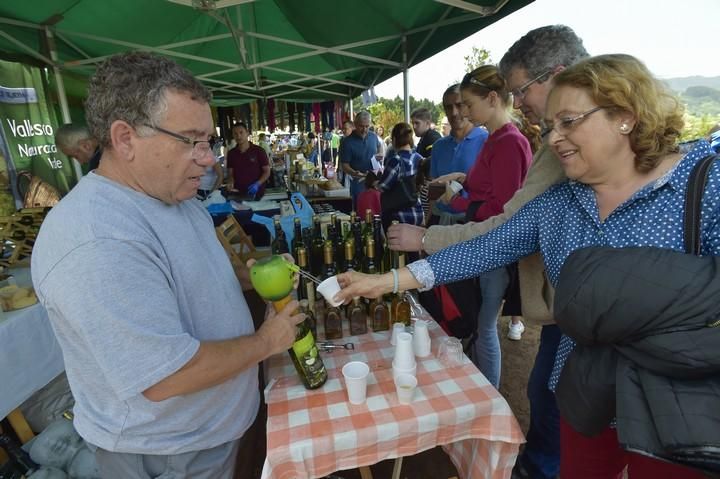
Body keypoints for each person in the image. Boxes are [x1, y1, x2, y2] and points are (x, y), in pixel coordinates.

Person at [338, 53, 713, 479]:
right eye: (551, 126)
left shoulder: (701, 185)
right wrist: (384, 281)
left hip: (679, 398)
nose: (554, 138)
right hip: (587, 391)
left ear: (625, 116)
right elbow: (483, 248)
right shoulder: (558, 203)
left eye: (569, 121)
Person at [31, 51, 304, 479]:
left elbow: (192, 276)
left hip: (210, 435)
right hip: (171, 456)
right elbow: (166, 375)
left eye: (209, 141)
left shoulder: (171, 197)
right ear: (125, 139)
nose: (209, 158)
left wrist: (250, 277)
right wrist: (268, 340)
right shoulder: (97, 239)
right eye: (191, 141)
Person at [384, 25, 588, 479]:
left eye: (520, 92)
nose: (524, 106)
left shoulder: (524, 143)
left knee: (506, 353)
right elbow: (507, 227)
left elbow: (504, 222)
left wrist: (426, 241)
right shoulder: (537, 150)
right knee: (546, 396)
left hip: (590, 328)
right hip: (569, 314)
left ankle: (497, 418)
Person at [439, 64, 532, 387]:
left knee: (484, 326)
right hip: (483, 244)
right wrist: (463, 179)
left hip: (495, 248)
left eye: (468, 103)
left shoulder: (508, 141)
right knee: (479, 323)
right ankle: (481, 390)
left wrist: (459, 203)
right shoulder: (495, 139)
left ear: (492, 98)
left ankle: (488, 396)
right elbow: (489, 187)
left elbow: (504, 208)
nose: (464, 111)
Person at [428, 84, 489, 224]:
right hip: (440, 221)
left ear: (468, 106)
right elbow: (434, 190)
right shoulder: (438, 146)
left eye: (459, 105)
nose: (454, 112)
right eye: (448, 107)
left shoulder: (487, 141)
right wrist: (427, 220)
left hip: (473, 222)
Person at [375, 122, 424, 232]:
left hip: (399, 216)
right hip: (418, 213)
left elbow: (382, 186)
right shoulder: (419, 158)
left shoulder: (395, 161)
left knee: (397, 248)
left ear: (395, 140)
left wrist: (374, 182)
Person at [339, 111, 379, 206]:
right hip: (357, 181)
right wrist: (354, 172)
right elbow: (344, 165)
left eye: (367, 126)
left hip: (374, 181)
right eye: (361, 126)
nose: (364, 129)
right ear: (355, 125)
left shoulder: (373, 136)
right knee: (359, 208)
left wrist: (380, 154)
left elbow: (379, 148)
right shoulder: (347, 142)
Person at [226, 122, 271, 199]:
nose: (238, 136)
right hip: (238, 192)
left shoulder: (259, 151)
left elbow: (267, 171)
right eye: (235, 133)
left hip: (257, 193)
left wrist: (258, 184)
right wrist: (230, 182)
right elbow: (230, 173)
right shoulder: (231, 153)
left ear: (247, 133)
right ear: (233, 135)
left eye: (241, 132)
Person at [197, 135, 224, 200]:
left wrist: (212, 193)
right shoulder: (196, 156)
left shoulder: (213, 158)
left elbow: (220, 176)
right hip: (197, 190)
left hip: (209, 190)